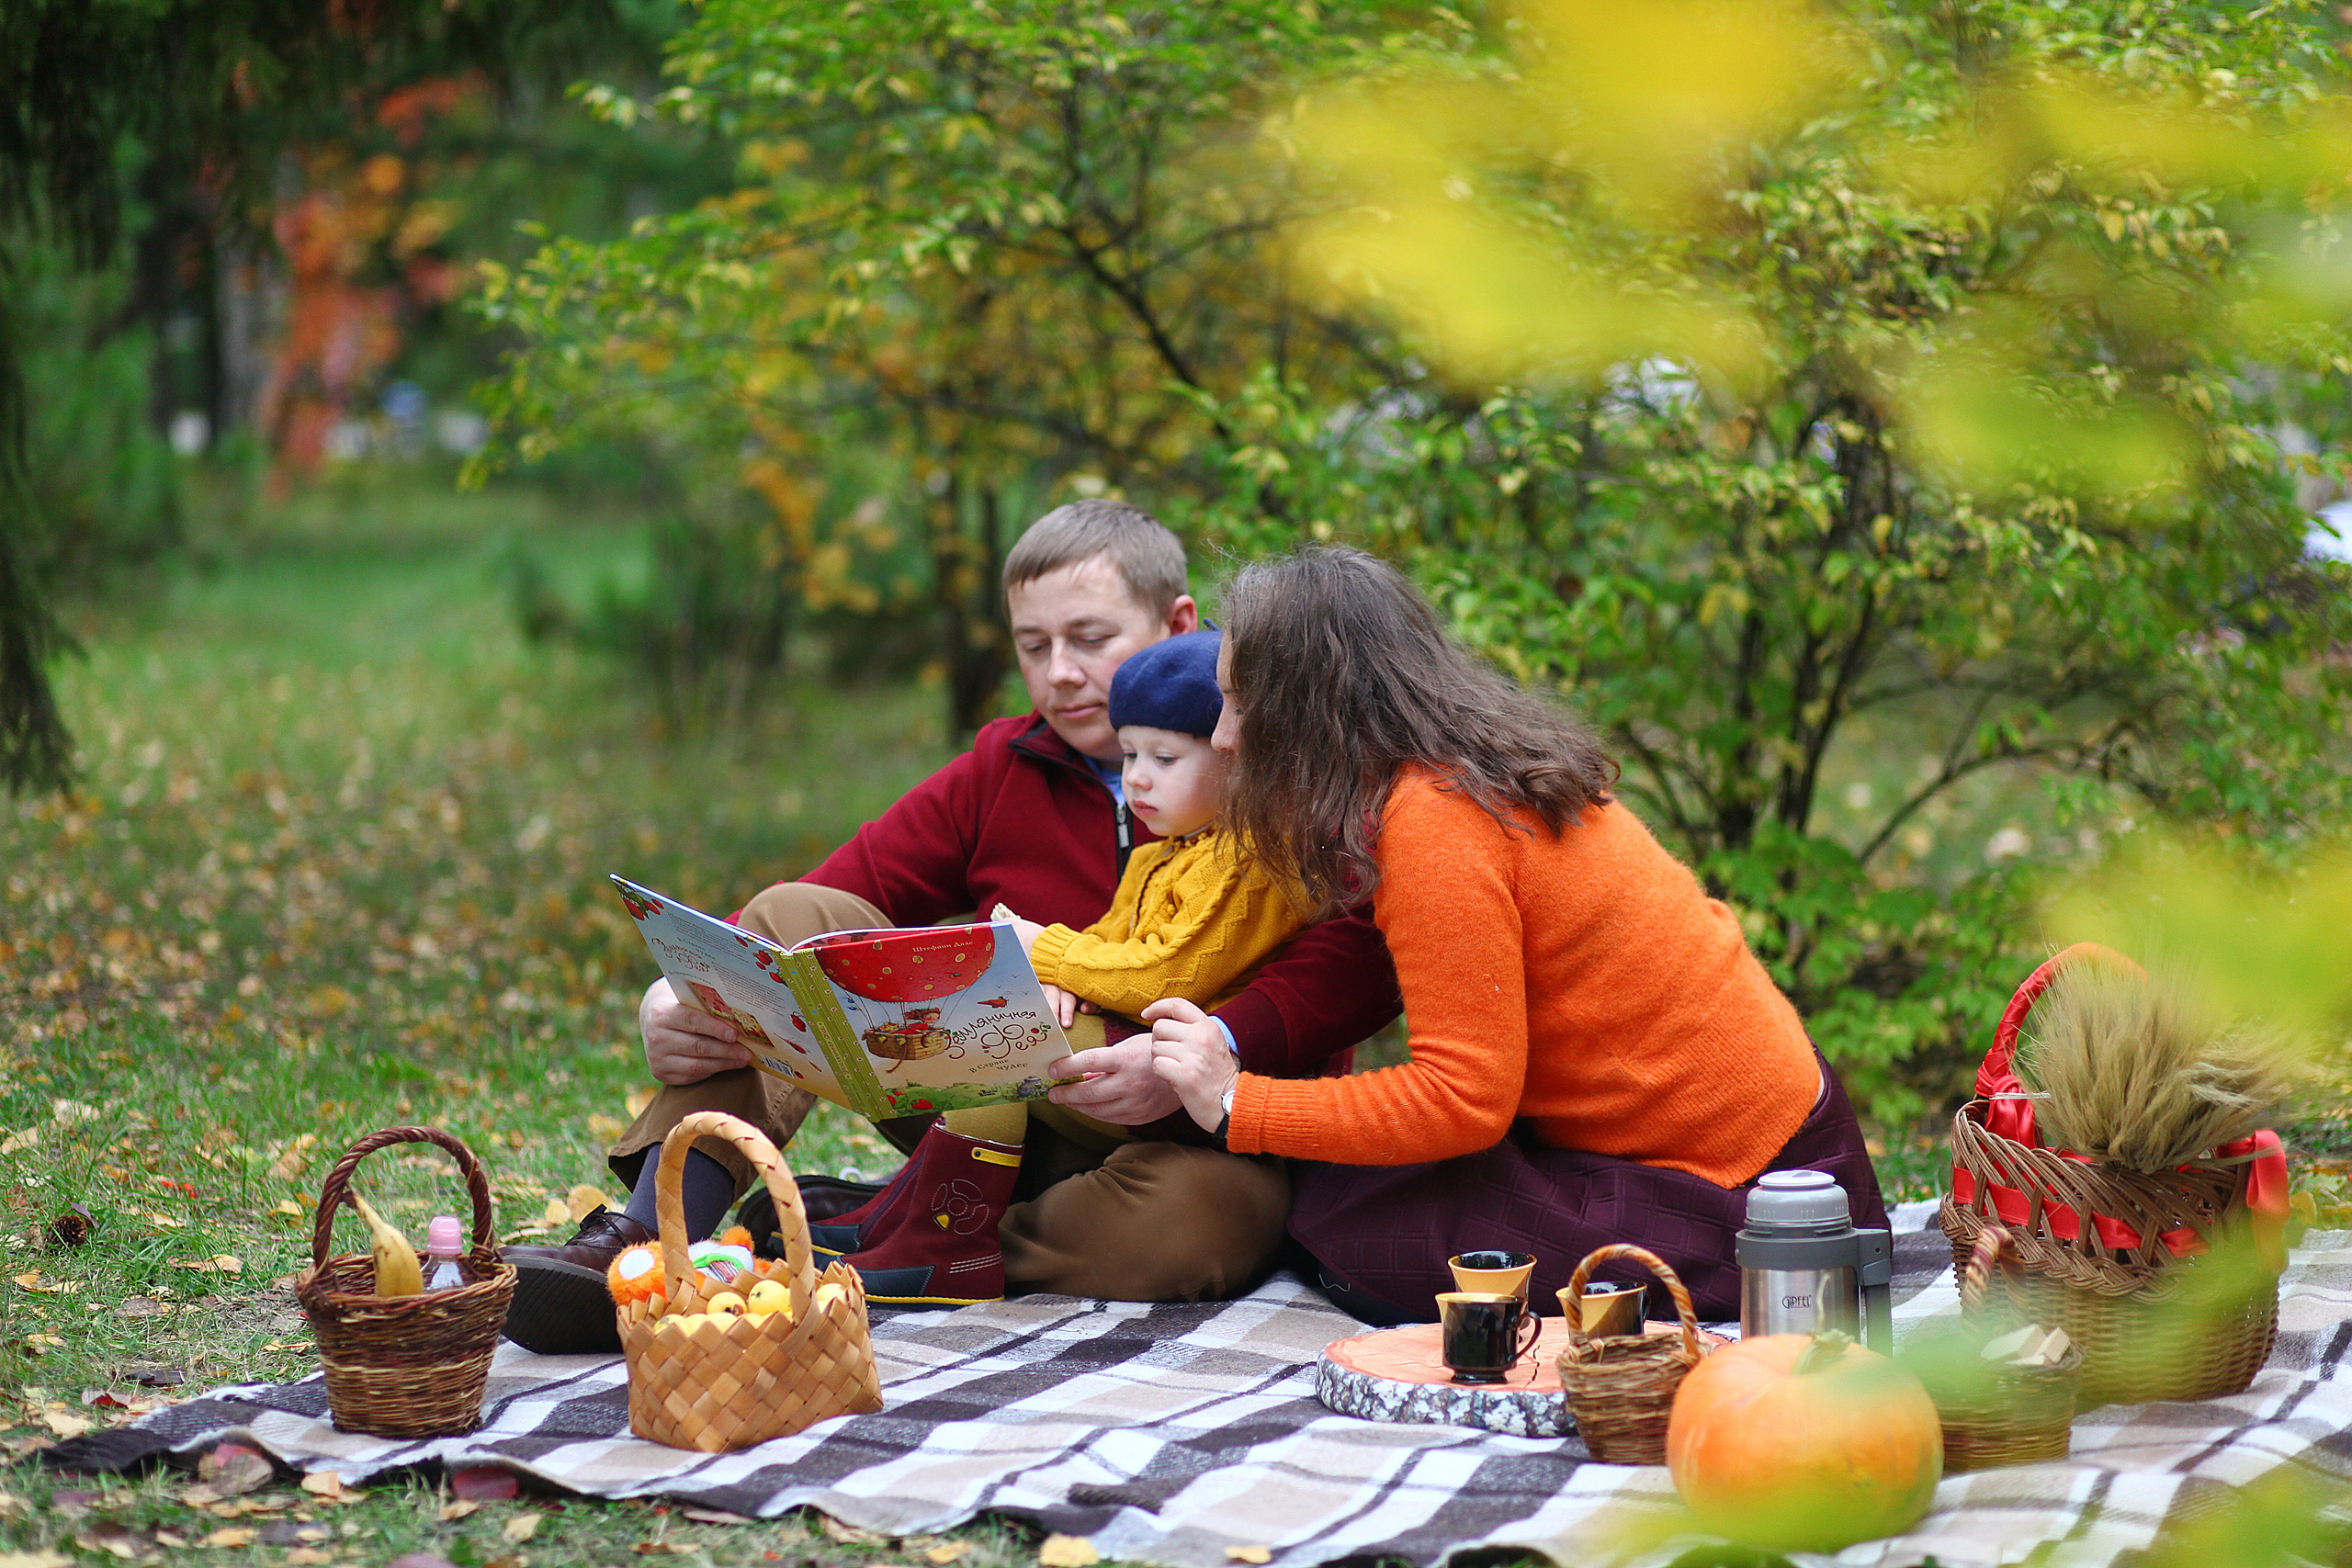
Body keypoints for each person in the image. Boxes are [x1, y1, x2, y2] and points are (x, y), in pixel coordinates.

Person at [500, 504, 1399, 1352]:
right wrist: (681, 991)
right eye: (1033, 646)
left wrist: (1209, 1050)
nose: (1061, 674)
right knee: (788, 920)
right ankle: (658, 1237)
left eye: (1090, 639)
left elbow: (1359, 959)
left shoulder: (1271, 776)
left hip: (1176, 1131)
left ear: (1178, 624)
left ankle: (890, 1235)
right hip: (986, 1103)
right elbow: (833, 896)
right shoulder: (1003, 766)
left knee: (1209, 1225)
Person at [1136, 546, 1886, 1323]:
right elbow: (1404, 993)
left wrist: (1235, 1102)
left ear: (1307, 709)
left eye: (1239, 703)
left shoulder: (1435, 819)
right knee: (1341, 1179)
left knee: (1340, 1218)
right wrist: (1233, 1050)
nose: (1223, 736)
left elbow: (1461, 1100)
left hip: (1756, 1205)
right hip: (1791, 1145)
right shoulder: (1459, 766)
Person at [804, 627, 1317, 1303]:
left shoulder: (1247, 860)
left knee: (990, 1029)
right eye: (1129, 752)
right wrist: (1048, 977)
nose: (1137, 776)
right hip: (1125, 1075)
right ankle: (923, 1227)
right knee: (998, 1020)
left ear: (1237, 759)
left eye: (1164, 757)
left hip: (1197, 1094)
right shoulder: (1161, 852)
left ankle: (937, 1236)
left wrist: (1033, 951)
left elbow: (1165, 974)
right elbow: (1105, 936)